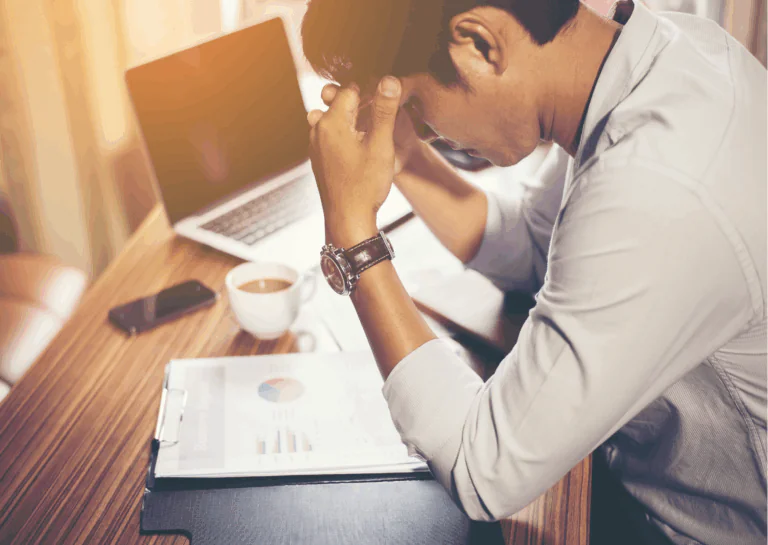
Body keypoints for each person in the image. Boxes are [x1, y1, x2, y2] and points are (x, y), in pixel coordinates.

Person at [300, 0, 767, 543]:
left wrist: (353, 232)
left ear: (479, 43)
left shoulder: (655, 185)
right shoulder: (669, 54)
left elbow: (483, 471)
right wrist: (401, 153)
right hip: (626, 465)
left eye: (420, 107)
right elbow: (529, 246)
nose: (426, 131)